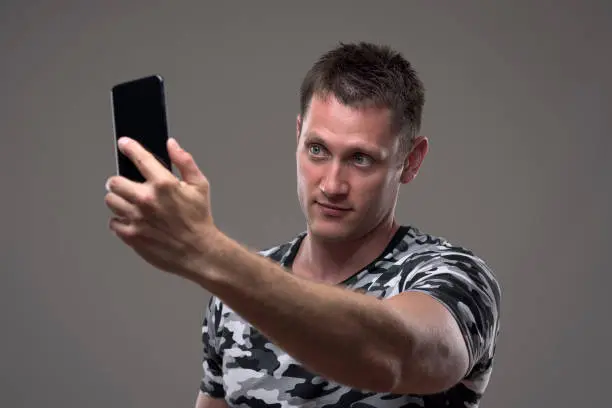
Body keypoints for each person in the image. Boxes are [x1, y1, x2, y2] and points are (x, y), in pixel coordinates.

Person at [104, 41, 501, 408]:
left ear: (410, 161)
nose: (332, 184)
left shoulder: (453, 277)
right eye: (317, 150)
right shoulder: (232, 298)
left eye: (361, 159)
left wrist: (206, 250)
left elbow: (395, 356)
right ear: (297, 135)